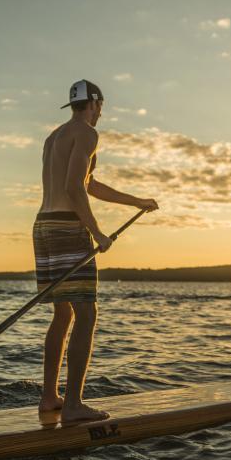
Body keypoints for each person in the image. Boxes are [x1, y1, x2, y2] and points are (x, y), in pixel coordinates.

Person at [34, 79, 159, 422]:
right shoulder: (87, 133)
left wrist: (137, 201)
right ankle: (73, 406)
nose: (100, 113)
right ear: (96, 104)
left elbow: (88, 184)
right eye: (100, 107)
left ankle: (50, 398)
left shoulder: (54, 136)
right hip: (66, 229)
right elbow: (74, 188)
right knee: (86, 315)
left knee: (63, 314)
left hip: (43, 226)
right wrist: (97, 233)